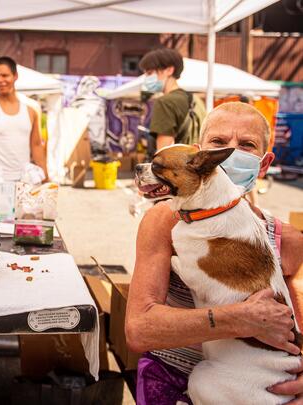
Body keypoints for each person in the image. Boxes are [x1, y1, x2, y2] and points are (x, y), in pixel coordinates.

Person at [126, 102, 303, 404]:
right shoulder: (165, 221)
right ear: (199, 155)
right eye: (219, 143)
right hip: (175, 377)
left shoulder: (286, 238)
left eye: (247, 145)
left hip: (260, 387)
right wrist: (239, 319)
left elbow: (295, 331)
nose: (230, 154)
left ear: (263, 163)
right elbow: (139, 330)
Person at [139, 47, 205, 154]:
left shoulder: (165, 102)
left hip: (177, 167)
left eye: (150, 73)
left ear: (169, 70)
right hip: (198, 165)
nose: (147, 78)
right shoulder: (197, 100)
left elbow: (163, 154)